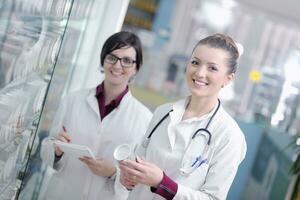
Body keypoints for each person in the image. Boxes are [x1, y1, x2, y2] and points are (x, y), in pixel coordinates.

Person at [119, 33, 247, 200]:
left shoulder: (229, 136)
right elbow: (138, 163)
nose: (200, 73)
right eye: (195, 63)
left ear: (228, 79)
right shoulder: (163, 113)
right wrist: (128, 176)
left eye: (212, 68)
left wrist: (163, 183)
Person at [41, 31, 152, 200]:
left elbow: (139, 180)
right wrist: (56, 151)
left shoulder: (144, 119)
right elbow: (47, 152)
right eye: (112, 57)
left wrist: (114, 172)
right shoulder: (73, 100)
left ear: (136, 68)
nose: (117, 65)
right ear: (103, 59)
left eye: (127, 61)